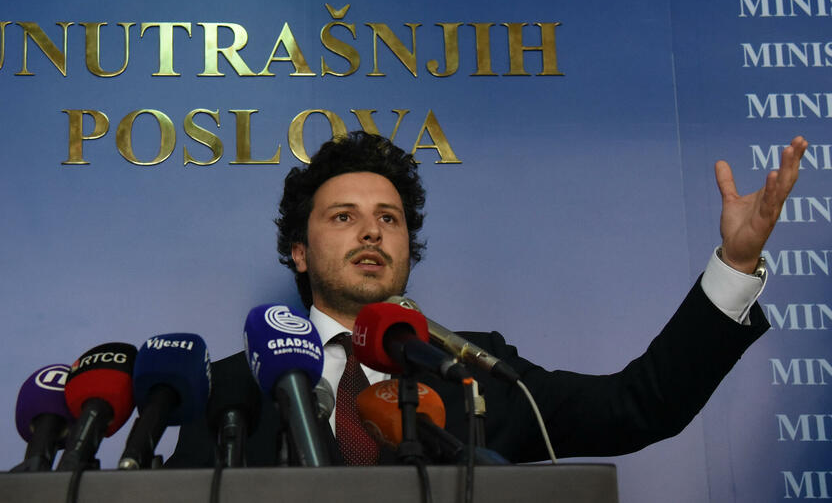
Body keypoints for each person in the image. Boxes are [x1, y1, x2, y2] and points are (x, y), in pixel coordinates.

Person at [167, 131, 809, 466]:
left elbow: (637, 407)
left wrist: (736, 263)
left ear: (408, 246)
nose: (371, 232)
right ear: (300, 253)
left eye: (389, 218)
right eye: (343, 217)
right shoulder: (229, 390)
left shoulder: (472, 368)